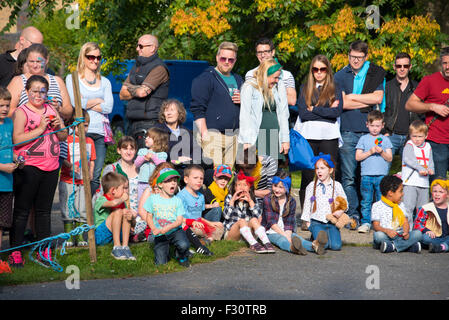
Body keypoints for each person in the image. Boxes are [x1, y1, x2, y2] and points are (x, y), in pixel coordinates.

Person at [9, 75, 67, 267]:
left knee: (44, 211)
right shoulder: (21, 112)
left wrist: (59, 127)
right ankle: (15, 251)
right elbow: (17, 139)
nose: (39, 95)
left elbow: (63, 136)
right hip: (28, 167)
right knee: (22, 211)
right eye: (35, 91)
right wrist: (41, 128)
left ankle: (45, 251)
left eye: (43, 91)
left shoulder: (51, 109)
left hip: (51, 166)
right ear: (27, 92)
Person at [334, 40, 386, 229]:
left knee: (371, 176)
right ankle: (353, 214)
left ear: (366, 57)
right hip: (348, 131)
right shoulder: (340, 75)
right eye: (352, 56)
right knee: (349, 177)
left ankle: (373, 215)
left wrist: (351, 97)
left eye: (359, 58)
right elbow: (342, 103)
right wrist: (366, 100)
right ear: (348, 54)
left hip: (370, 132)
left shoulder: (374, 73)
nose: (355, 61)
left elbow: (378, 98)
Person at [295, 54, 343, 207]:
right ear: (312, 71)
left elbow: (336, 113)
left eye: (322, 69)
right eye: (315, 69)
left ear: (328, 70)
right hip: (308, 136)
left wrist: (314, 109)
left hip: (329, 136)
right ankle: (306, 213)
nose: (319, 72)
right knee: (309, 174)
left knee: (329, 173)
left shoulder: (336, 87)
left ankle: (329, 210)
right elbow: (303, 113)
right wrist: (326, 110)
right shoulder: (304, 87)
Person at [66, 42, 114, 195]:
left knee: (94, 175)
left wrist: (85, 102)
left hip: (99, 133)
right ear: (83, 58)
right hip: (80, 131)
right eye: (91, 57)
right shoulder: (72, 78)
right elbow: (74, 103)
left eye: (98, 57)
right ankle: (76, 210)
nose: (95, 60)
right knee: (77, 173)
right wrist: (98, 100)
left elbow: (109, 107)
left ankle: (89, 212)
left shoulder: (105, 81)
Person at [190, 41, 243, 167]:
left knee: (228, 176)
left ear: (235, 61)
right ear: (217, 58)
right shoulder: (206, 78)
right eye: (223, 58)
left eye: (230, 60)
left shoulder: (239, 79)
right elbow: (197, 108)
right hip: (213, 134)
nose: (226, 62)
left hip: (234, 135)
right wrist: (204, 133)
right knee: (215, 174)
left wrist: (244, 100)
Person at [405, 47, 449, 182]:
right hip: (437, 142)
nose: (447, 67)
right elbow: (409, 104)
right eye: (445, 63)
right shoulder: (430, 80)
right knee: (437, 185)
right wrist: (432, 106)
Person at [120, 34, 169, 149]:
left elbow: (143, 93)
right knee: (133, 162)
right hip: (132, 122)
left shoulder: (159, 68)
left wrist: (133, 88)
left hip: (150, 124)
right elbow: (122, 94)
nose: (137, 49)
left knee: (146, 162)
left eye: (141, 46)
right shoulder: (136, 67)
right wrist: (138, 88)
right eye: (137, 45)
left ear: (152, 48)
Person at [239, 58, 290, 159]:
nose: (277, 80)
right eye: (274, 77)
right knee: (259, 169)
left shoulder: (279, 85)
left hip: (274, 134)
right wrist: (246, 141)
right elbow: (245, 115)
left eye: (278, 78)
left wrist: (285, 139)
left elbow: (284, 113)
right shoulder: (250, 86)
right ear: (265, 74)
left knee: (274, 168)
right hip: (258, 133)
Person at [59, 109, 95, 247]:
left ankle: (80, 237)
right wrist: (70, 166)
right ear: (73, 125)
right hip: (67, 180)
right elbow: (61, 157)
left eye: (86, 125)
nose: (83, 129)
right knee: (67, 208)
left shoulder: (90, 141)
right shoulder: (66, 140)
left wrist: (90, 172)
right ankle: (68, 237)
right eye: (81, 125)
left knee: (82, 209)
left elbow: (92, 159)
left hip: (83, 182)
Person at [154, 99, 213, 185]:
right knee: (187, 174)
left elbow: (197, 150)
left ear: (179, 113)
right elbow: (158, 152)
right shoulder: (158, 130)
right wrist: (177, 158)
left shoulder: (186, 131)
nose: (168, 113)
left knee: (209, 169)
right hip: (171, 165)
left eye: (172, 110)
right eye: (166, 110)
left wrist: (189, 159)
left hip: (188, 164)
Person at [7, 43, 73, 120]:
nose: (35, 65)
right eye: (31, 61)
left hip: (55, 130)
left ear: (47, 60)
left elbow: (69, 111)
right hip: (28, 130)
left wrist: (58, 108)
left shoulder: (57, 81)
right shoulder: (18, 81)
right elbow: (7, 111)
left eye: (38, 61)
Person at [99, 136, 146, 242]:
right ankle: (131, 235)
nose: (128, 152)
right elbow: (105, 195)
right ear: (119, 150)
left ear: (135, 151)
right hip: (120, 209)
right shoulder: (112, 169)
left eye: (132, 149)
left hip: (140, 211)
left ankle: (137, 235)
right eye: (125, 149)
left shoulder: (141, 168)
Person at [143, 167, 191, 267]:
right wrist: (154, 229)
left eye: (175, 181)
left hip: (175, 231)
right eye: (169, 181)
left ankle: (181, 256)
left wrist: (168, 228)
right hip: (160, 233)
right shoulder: (152, 199)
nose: (173, 183)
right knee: (160, 264)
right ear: (160, 184)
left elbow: (179, 220)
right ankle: (166, 253)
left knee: (184, 244)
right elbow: (149, 217)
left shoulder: (177, 200)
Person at [355, 110, 393, 233]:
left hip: (382, 176)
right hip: (366, 176)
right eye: (372, 126)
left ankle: (381, 223)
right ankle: (365, 222)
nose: (375, 129)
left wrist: (381, 152)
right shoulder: (363, 139)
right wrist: (370, 152)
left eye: (378, 126)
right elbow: (358, 157)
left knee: (381, 201)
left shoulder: (385, 140)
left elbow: (390, 158)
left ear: (382, 125)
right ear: (367, 125)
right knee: (366, 201)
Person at [261, 170, 315, 255]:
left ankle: (314, 246)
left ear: (287, 188)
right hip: (271, 231)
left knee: (299, 239)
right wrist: (285, 236)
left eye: (281, 187)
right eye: (275, 186)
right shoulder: (267, 199)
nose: (277, 190)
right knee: (281, 240)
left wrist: (288, 235)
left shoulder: (291, 201)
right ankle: (293, 248)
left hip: (286, 230)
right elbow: (271, 223)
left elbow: (289, 223)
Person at [223, 170, 275, 254]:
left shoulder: (252, 199)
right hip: (232, 234)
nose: (242, 187)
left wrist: (250, 201)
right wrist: (232, 201)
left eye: (245, 185)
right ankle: (254, 244)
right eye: (239, 185)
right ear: (234, 187)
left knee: (254, 219)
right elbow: (226, 216)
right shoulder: (230, 197)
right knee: (242, 221)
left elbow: (258, 216)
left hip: (247, 234)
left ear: (250, 188)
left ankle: (267, 243)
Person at [301, 153, 344, 253]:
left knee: (336, 246)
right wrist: (308, 223)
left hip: (332, 222)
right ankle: (313, 239)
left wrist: (340, 211)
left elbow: (343, 202)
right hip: (317, 222)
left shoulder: (337, 185)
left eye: (322, 168)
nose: (319, 171)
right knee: (325, 245)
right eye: (317, 168)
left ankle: (319, 238)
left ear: (330, 170)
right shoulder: (312, 186)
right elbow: (307, 205)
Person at [177, 164, 223, 256]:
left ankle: (207, 241)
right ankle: (198, 240)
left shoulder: (201, 196)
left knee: (220, 227)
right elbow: (179, 218)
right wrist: (193, 223)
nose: (199, 181)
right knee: (197, 230)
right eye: (195, 178)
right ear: (186, 179)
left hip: (199, 222)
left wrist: (210, 223)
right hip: (187, 225)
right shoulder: (181, 196)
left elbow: (199, 216)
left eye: (201, 178)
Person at [371, 175, 423, 253]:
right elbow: (376, 226)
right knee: (378, 236)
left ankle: (392, 246)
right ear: (390, 193)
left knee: (418, 234)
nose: (402, 194)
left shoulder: (401, 205)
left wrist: (406, 231)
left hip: (400, 235)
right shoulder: (377, 205)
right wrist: (387, 231)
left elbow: (405, 222)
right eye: (400, 191)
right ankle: (407, 246)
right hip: (386, 235)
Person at [94, 172, 137, 260]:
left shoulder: (123, 203)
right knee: (118, 212)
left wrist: (131, 218)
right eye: (124, 188)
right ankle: (116, 247)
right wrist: (122, 199)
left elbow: (132, 224)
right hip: (101, 235)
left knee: (124, 212)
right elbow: (113, 203)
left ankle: (125, 247)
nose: (126, 191)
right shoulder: (101, 200)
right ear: (113, 190)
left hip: (117, 234)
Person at [383, 52, 420, 157]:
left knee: (410, 171)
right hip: (390, 135)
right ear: (394, 67)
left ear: (410, 67)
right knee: (382, 170)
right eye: (399, 66)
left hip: (411, 137)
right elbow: (379, 110)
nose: (402, 69)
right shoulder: (387, 87)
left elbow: (422, 113)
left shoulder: (417, 88)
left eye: (405, 66)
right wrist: (383, 131)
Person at [245, 37, 297, 106]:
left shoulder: (286, 75)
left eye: (266, 51)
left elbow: (292, 100)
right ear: (256, 55)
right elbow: (249, 98)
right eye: (259, 52)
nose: (263, 55)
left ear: (273, 52)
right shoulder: (251, 74)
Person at [401, 120, 434, 227]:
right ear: (410, 135)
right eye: (414, 136)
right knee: (408, 208)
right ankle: (408, 230)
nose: (417, 139)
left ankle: (420, 231)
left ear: (426, 135)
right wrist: (420, 168)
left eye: (420, 136)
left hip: (424, 183)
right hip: (410, 182)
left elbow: (430, 161)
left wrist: (430, 169)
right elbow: (408, 159)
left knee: (423, 209)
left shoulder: (428, 146)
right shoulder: (409, 145)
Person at [414, 179, 449, 253]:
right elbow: (417, 223)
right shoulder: (425, 208)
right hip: (433, 237)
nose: (437, 194)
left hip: (447, 237)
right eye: (435, 191)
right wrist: (426, 230)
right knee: (425, 238)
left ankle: (441, 247)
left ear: (447, 195)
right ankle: (444, 246)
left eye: (441, 192)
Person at [0, 87, 16, 251]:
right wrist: (3, 167)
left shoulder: (9, 123)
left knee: (2, 224)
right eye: (1, 106)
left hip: (7, 184)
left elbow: (9, 148)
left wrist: (17, 159)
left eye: (7, 105)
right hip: (1, 176)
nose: (5, 109)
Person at [134, 127, 169, 200]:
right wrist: (144, 158)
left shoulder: (161, 154)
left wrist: (153, 157)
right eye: (146, 137)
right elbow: (136, 164)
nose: (146, 138)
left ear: (157, 141)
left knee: (153, 201)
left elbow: (162, 166)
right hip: (142, 182)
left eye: (149, 137)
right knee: (141, 200)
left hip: (155, 184)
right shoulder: (143, 151)